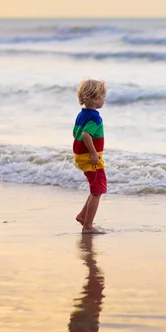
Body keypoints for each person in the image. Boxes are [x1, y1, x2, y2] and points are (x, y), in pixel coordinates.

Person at [73, 78, 107, 234]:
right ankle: (88, 226)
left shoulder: (82, 115)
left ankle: (82, 216)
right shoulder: (95, 117)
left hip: (81, 156)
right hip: (90, 157)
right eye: (102, 97)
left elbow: (76, 133)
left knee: (95, 188)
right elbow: (86, 135)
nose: (104, 100)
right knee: (97, 190)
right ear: (95, 98)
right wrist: (93, 153)